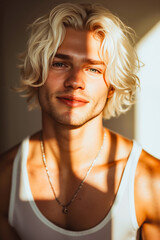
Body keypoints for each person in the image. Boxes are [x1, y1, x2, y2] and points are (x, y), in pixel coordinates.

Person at [0, 2, 160, 240]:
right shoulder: (6, 179)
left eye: (93, 69)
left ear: (111, 87)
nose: (75, 81)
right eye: (60, 63)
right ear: (38, 74)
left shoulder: (149, 182)